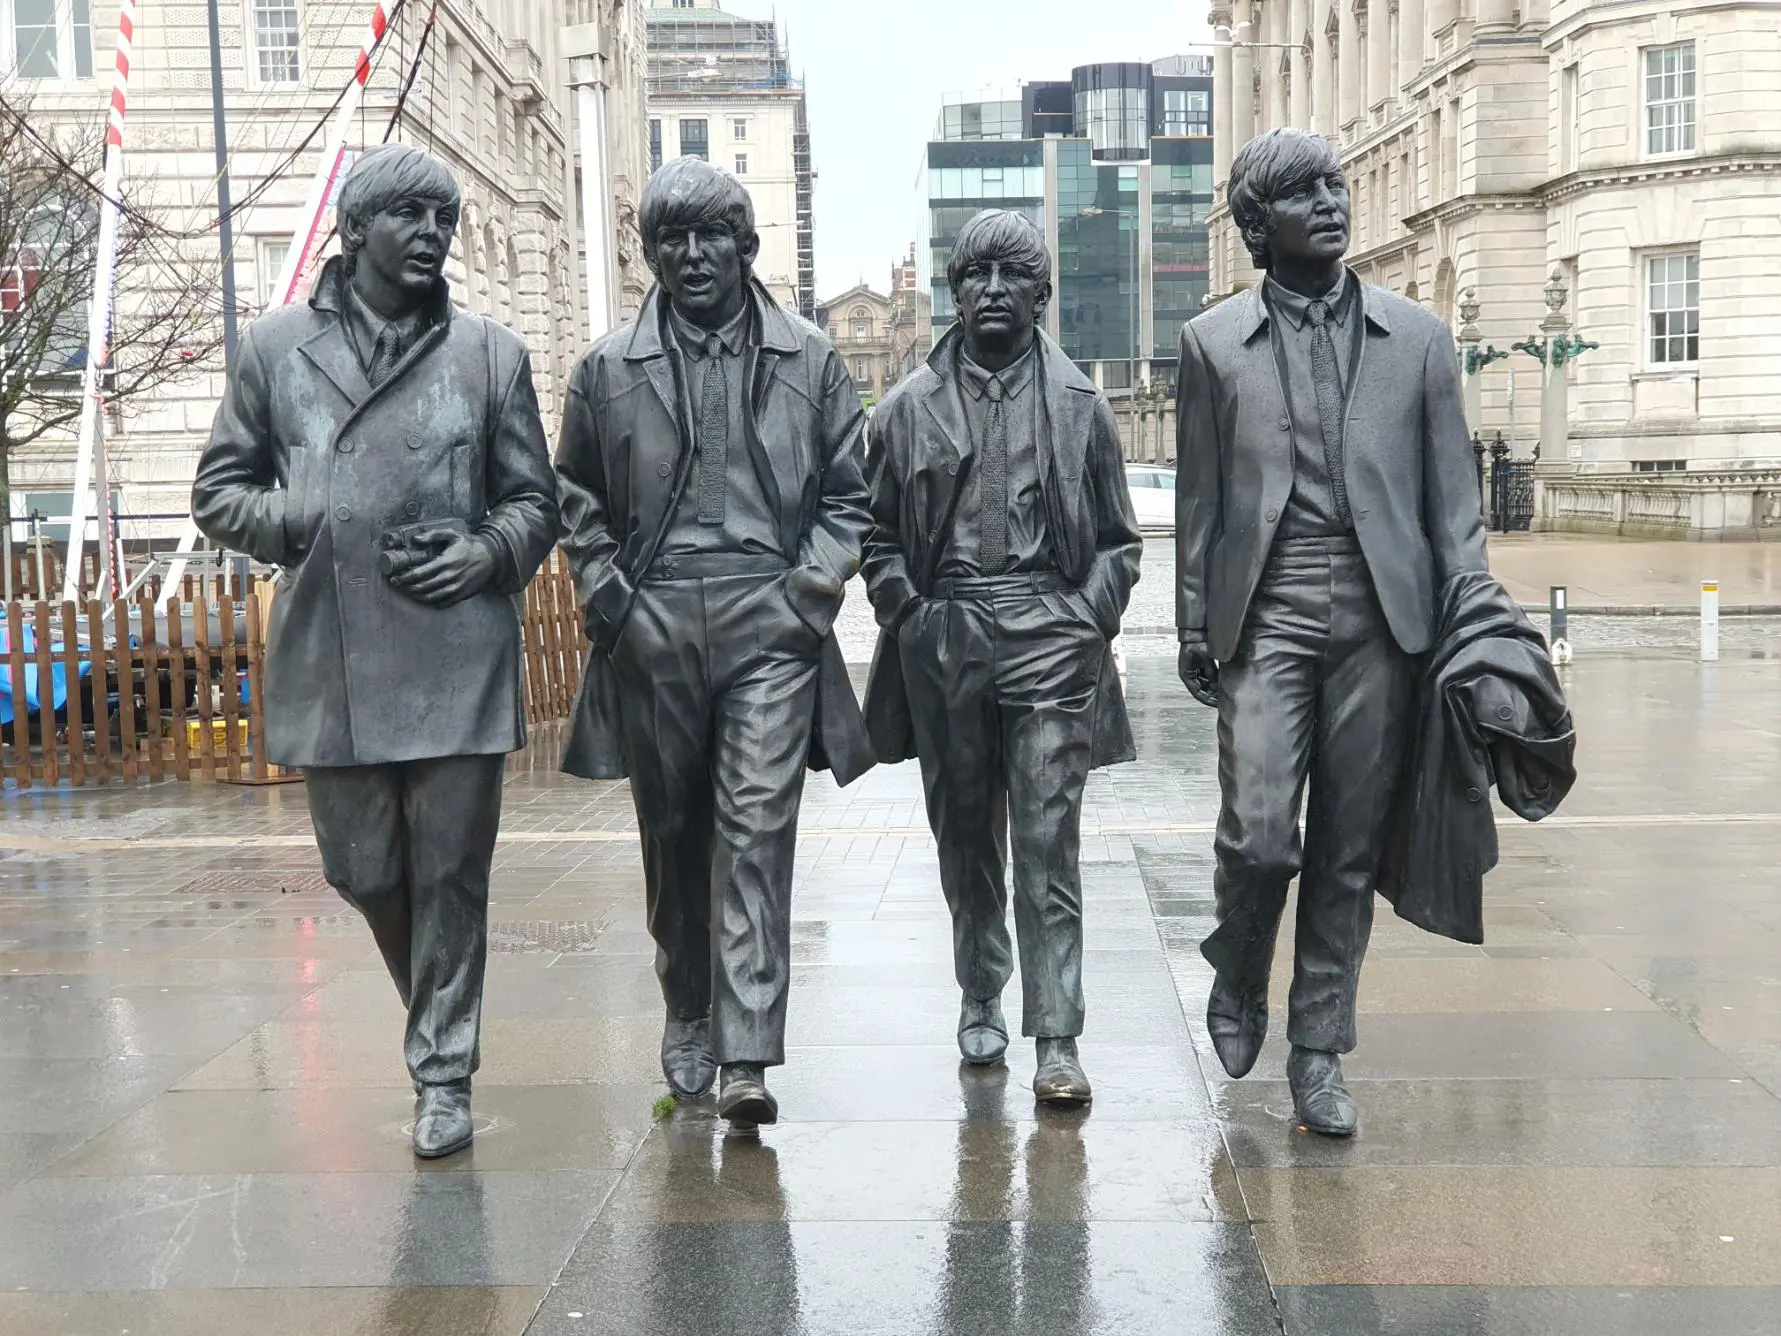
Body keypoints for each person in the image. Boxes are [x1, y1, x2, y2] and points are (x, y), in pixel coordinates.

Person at [192, 145, 558, 1158]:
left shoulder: (489, 355)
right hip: (333, 653)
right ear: (353, 234)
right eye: (410, 216)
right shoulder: (273, 351)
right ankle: (433, 1016)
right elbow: (217, 491)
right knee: (363, 872)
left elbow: (537, 501)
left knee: (452, 876)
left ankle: (443, 1073)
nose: (435, 234)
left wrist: (489, 548)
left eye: (443, 218)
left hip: (456, 648)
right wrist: (293, 514)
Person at [1174, 127, 1489, 1136]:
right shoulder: (1211, 344)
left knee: (1347, 846)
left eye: (1336, 185)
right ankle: (1236, 969)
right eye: (1305, 193)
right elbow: (1199, 502)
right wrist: (1192, 619)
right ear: (1260, 226)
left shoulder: (1419, 339)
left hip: (1381, 620)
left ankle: (1317, 1050)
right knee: (1260, 836)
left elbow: (1454, 507)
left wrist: (1469, 621)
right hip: (1262, 613)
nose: (1333, 202)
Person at [555, 157, 874, 1127]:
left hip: (767, 621)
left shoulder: (809, 359)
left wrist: (806, 592)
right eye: (670, 239)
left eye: (710, 236)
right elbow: (575, 499)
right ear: (649, 252)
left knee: (753, 830)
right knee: (675, 833)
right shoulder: (605, 369)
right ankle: (687, 1000)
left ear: (747, 245)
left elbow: (849, 495)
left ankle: (745, 1049)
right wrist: (612, 600)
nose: (691, 256)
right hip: (652, 622)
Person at [861, 209, 1142, 1106]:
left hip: (1047, 634)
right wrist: (910, 615)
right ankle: (980, 988)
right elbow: (871, 535)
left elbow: (1117, 541)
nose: (989, 290)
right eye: (973, 275)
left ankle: (1057, 1032)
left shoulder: (1080, 405)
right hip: (948, 631)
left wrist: (1081, 620)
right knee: (965, 837)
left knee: (1046, 842)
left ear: (1039, 293)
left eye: (1009, 276)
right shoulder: (904, 410)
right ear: (954, 290)